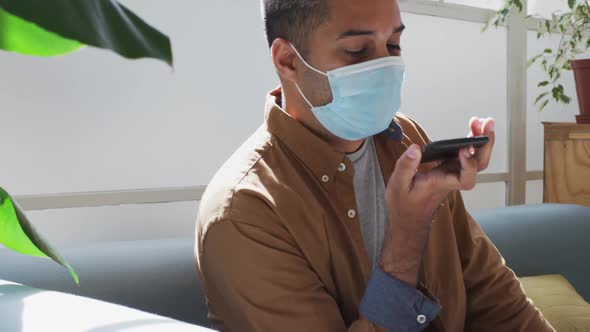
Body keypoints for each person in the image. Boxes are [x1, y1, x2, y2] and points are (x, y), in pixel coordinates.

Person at [195, 0, 554, 331]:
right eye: (357, 51)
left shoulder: (406, 139)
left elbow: (491, 291)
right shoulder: (243, 212)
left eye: (394, 45)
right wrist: (407, 234)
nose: (385, 66)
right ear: (287, 60)